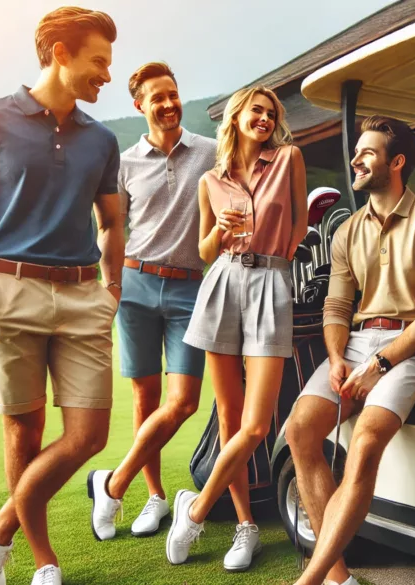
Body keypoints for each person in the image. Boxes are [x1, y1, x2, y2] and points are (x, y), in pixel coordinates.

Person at [0, 7, 121, 585]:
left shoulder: (103, 139)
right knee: (24, 432)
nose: (106, 75)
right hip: (10, 290)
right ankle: (40, 560)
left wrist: (111, 286)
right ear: (60, 53)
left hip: (85, 296)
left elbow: (111, 222)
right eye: (98, 61)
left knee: (89, 436)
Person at [285, 115, 415, 585]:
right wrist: (340, 358)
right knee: (301, 432)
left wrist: (380, 364)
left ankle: (311, 579)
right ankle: (338, 577)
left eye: (367, 152)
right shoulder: (347, 231)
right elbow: (338, 304)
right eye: (356, 151)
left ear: (396, 162)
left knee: (362, 445)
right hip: (357, 342)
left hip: (409, 348)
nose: (355, 160)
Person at [164, 86, 308, 572]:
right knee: (228, 421)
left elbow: (301, 220)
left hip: (270, 282)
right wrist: (222, 232)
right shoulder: (210, 179)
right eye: (256, 111)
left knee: (257, 425)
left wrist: (277, 267)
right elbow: (204, 252)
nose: (264, 118)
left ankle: (197, 508)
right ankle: (245, 525)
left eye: (271, 113)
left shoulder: (289, 158)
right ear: (237, 117)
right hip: (223, 282)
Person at [86, 62, 217, 540]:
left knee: (182, 401)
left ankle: (112, 483)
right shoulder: (123, 163)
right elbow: (112, 230)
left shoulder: (210, 152)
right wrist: (111, 286)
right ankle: (156, 497)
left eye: (173, 94)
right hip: (136, 286)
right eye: (157, 97)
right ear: (139, 105)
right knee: (145, 398)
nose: (168, 104)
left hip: (190, 288)